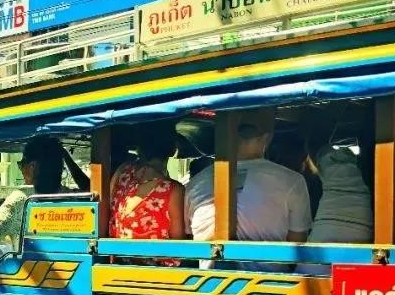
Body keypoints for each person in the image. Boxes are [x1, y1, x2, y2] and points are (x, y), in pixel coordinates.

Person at [186, 108, 312, 271]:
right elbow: (297, 244)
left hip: (207, 285)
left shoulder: (195, 183)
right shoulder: (292, 181)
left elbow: (189, 233)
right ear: (268, 137)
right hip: (269, 286)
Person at [108, 122, 185, 264]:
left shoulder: (122, 172)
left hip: (116, 265)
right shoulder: (172, 190)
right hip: (153, 274)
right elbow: (178, 242)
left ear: (139, 147)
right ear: (173, 149)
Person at [0, 136, 66, 248]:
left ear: (32, 166)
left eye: (21, 164)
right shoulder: (73, 197)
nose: (21, 170)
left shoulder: (20, 199)